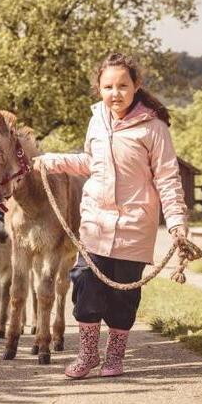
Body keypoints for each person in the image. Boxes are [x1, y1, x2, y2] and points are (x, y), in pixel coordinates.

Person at [34, 52, 187, 378]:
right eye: (108, 86)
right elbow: (92, 163)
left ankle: (114, 357)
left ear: (136, 86)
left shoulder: (153, 128)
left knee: (123, 297)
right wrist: (53, 160)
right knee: (85, 285)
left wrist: (176, 223)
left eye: (122, 85)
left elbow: (168, 178)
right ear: (99, 88)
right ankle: (88, 355)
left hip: (134, 226)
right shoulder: (97, 120)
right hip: (95, 223)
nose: (114, 93)